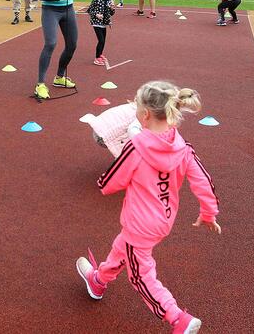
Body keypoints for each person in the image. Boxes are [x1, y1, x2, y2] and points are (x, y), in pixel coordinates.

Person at [75, 81, 220, 334]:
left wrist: (102, 185)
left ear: (143, 115)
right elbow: (202, 180)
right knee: (123, 248)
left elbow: (111, 181)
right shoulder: (182, 147)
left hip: (140, 223)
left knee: (140, 274)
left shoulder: (136, 146)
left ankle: (177, 318)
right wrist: (208, 213)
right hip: (163, 220)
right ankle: (98, 281)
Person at [33, 0, 86, 100]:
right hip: (51, 10)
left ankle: (59, 77)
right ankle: (40, 84)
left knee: (72, 45)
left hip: (68, 9)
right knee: (51, 43)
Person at [87, 0, 116, 66]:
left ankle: (100, 54)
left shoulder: (110, 0)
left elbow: (112, 13)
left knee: (103, 41)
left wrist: (111, 9)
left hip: (104, 23)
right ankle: (97, 58)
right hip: (96, 23)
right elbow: (89, 10)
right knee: (101, 40)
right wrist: (97, 15)